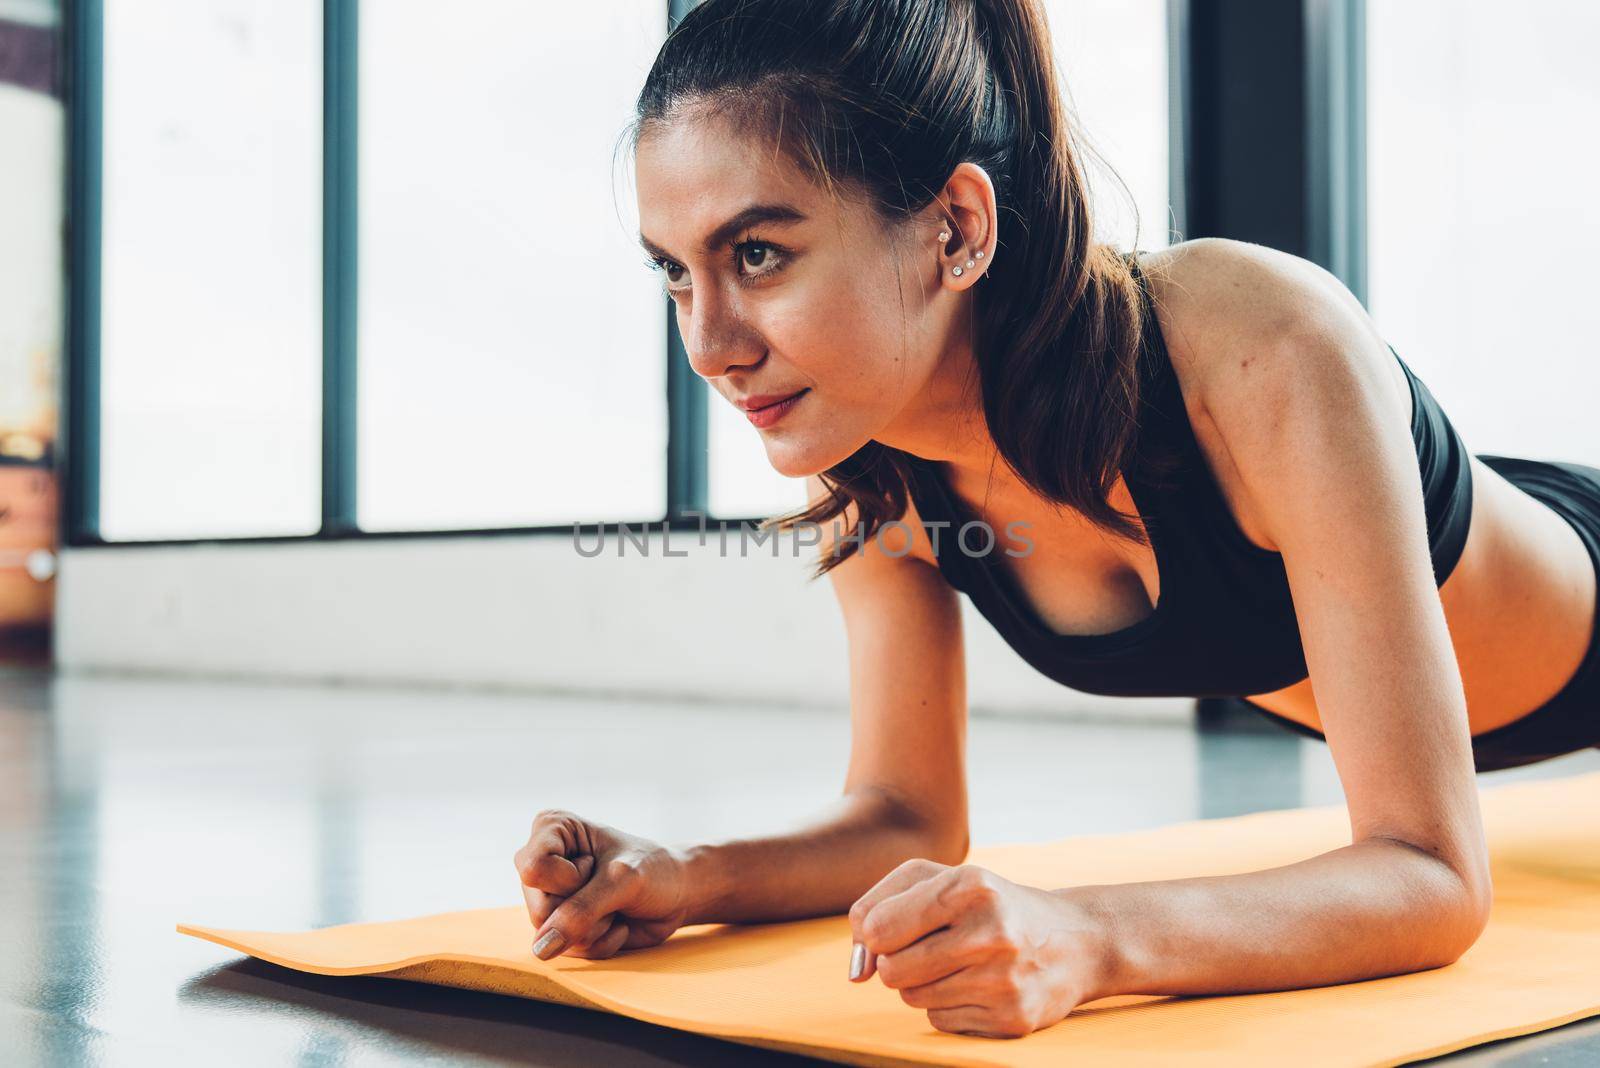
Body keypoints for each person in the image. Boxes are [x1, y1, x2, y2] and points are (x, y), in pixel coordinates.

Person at [513, 0, 1600, 1039]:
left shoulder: (1264, 348)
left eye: (757, 254)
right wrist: (684, 872)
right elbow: (905, 813)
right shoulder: (865, 447)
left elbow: (1431, 874)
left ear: (956, 227)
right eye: (674, 273)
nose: (707, 345)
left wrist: (1091, 935)